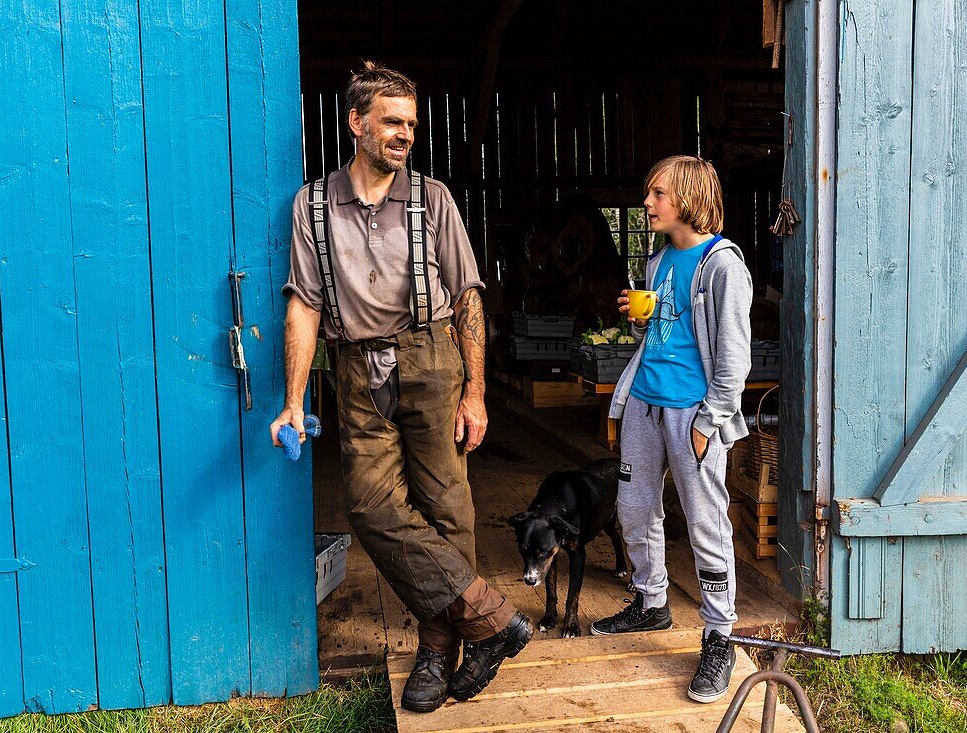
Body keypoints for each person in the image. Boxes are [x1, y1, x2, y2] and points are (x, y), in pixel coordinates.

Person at [270, 61, 531, 713]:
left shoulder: (433, 199)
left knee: (447, 505)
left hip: (430, 353)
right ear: (356, 122)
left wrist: (475, 388)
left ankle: (439, 648)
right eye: (391, 121)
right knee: (369, 503)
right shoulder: (313, 205)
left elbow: (468, 294)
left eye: (411, 124)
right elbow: (303, 304)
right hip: (358, 366)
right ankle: (489, 618)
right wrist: (294, 400)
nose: (404, 134)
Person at [590, 155, 752, 705]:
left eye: (657, 194)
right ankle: (652, 601)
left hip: (692, 415)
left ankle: (718, 635)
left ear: (686, 198)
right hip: (645, 403)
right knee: (634, 510)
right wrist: (641, 319)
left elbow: (733, 358)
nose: (648, 203)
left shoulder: (722, 265)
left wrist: (710, 423)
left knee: (707, 522)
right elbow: (666, 330)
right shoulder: (658, 262)